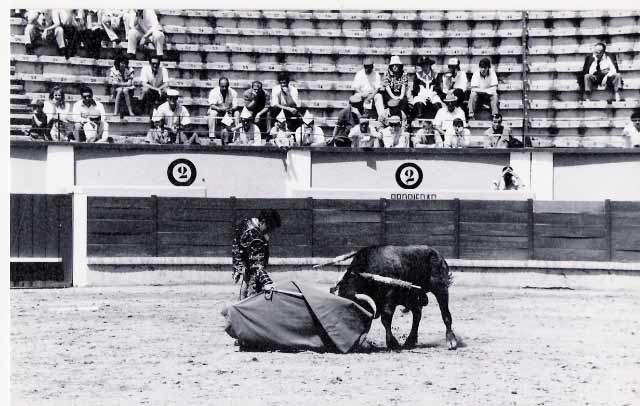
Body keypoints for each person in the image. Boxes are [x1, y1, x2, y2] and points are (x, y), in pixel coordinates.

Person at [231, 209, 282, 299]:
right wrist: (267, 282)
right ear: (263, 222)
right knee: (253, 294)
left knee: (246, 283)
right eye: (270, 227)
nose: (270, 231)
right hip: (252, 272)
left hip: (246, 267)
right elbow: (256, 265)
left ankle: (240, 305)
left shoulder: (247, 222)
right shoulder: (256, 236)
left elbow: (236, 243)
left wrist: (238, 265)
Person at [374, 55, 410, 122]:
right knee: (389, 101)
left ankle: (403, 118)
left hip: (399, 93)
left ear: (399, 65)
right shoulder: (387, 73)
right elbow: (387, 87)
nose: (394, 67)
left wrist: (400, 96)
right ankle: (385, 118)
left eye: (396, 65)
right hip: (389, 94)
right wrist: (393, 97)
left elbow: (403, 86)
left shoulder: (404, 73)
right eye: (393, 65)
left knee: (404, 100)